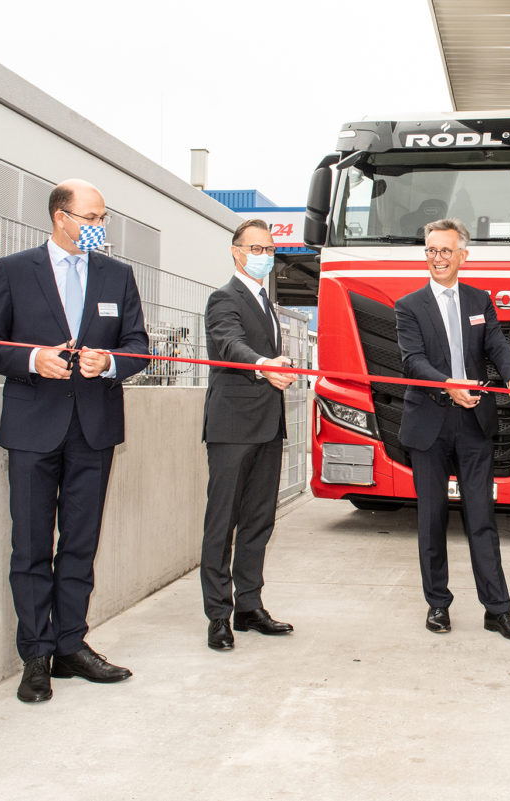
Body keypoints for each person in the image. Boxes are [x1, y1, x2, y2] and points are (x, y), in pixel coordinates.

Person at [0, 179, 149, 703]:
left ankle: (72, 644)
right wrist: (33, 360)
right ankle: (36, 655)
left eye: (102, 218)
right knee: (29, 545)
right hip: (32, 429)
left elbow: (138, 346)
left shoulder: (118, 275)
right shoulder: (13, 270)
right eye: (89, 217)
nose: (98, 227)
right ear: (60, 216)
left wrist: (110, 362)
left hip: (93, 429)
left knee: (79, 543)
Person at [394, 218, 510, 640]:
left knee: (482, 519)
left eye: (445, 251)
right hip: (429, 424)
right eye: (431, 250)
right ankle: (438, 605)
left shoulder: (480, 300)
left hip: (474, 422)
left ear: (462, 256)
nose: (437, 258)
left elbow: (496, 346)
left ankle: (497, 609)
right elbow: (412, 360)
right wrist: (448, 384)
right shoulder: (409, 306)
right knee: (432, 518)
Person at [201, 219, 298, 650]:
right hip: (232, 428)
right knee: (222, 524)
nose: (264, 256)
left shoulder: (268, 303)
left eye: (269, 249)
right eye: (256, 248)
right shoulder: (224, 299)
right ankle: (218, 615)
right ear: (237, 251)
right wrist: (264, 364)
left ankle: (249, 606)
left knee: (259, 520)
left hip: (267, 427)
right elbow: (229, 344)